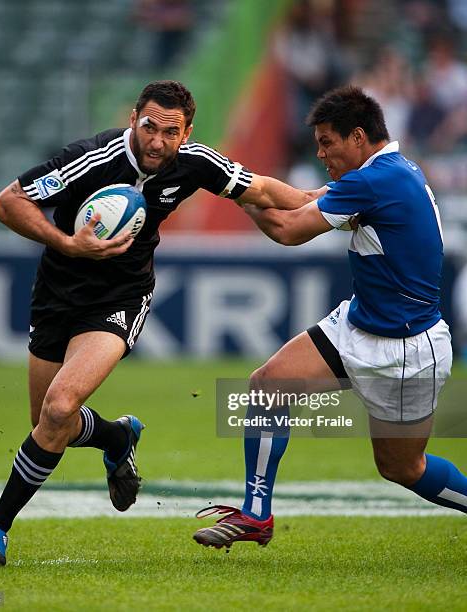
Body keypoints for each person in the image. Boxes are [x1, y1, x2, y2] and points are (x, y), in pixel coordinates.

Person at [0, 80, 321, 566]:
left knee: (59, 409)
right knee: (48, 423)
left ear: (186, 132)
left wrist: (313, 197)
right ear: (135, 117)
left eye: (170, 131)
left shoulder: (195, 162)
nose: (157, 140)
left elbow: (260, 187)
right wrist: (69, 243)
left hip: (120, 298)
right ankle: (116, 437)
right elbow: (6, 203)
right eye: (149, 126)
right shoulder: (92, 158)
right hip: (56, 296)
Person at [193, 85, 466, 550]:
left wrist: (230, 187)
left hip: (405, 349)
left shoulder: (374, 181)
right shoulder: (385, 172)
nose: (320, 153)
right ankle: (256, 515)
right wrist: (239, 182)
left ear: (358, 136)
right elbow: (305, 199)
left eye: (327, 142)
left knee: (402, 468)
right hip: (361, 323)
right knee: (269, 384)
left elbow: (287, 230)